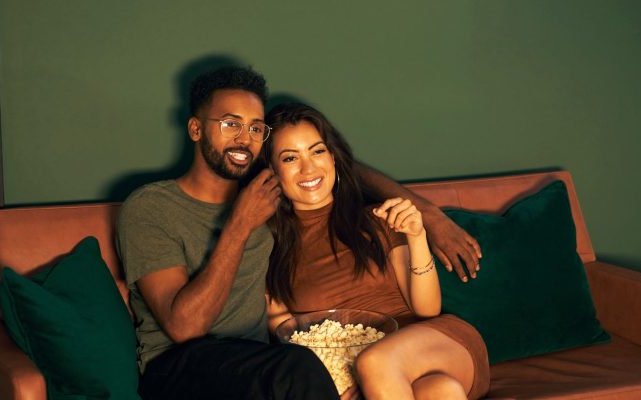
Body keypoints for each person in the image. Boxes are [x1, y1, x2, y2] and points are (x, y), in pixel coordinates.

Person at [118, 65, 483, 399]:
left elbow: (326, 168)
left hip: (261, 360)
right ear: (196, 128)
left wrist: (427, 215)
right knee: (302, 369)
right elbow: (185, 328)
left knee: (440, 390)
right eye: (230, 124)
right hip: (185, 366)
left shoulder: (270, 215)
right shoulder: (157, 207)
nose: (244, 138)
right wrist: (239, 224)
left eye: (255, 128)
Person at [262, 103, 491, 400]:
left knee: (374, 362)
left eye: (317, 151)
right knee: (439, 391)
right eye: (290, 157)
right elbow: (283, 328)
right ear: (272, 171)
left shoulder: (378, 218)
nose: (309, 168)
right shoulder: (269, 245)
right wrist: (341, 377)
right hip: (373, 373)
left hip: (438, 344)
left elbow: (427, 309)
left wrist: (417, 236)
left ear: (333, 157)